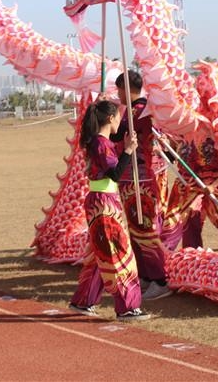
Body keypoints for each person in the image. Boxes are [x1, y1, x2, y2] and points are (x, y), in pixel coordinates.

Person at [69, 100, 151, 321]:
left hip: (104, 199)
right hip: (103, 202)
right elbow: (114, 173)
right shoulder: (100, 144)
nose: (119, 121)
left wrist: (126, 148)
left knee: (101, 254)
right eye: (117, 117)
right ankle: (127, 307)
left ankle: (84, 300)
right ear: (109, 119)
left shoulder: (100, 141)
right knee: (118, 255)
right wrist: (127, 151)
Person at [110, 70, 172, 301]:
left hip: (141, 176)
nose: (118, 94)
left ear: (126, 89)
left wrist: (104, 114)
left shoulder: (140, 111)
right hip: (129, 175)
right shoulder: (132, 111)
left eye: (119, 90)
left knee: (145, 229)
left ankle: (160, 279)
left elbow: (116, 135)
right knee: (136, 229)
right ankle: (146, 275)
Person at [161, 126, 218, 258]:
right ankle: (192, 254)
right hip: (188, 183)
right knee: (188, 218)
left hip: (215, 183)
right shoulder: (178, 129)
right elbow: (174, 156)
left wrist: (214, 185)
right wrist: (161, 148)